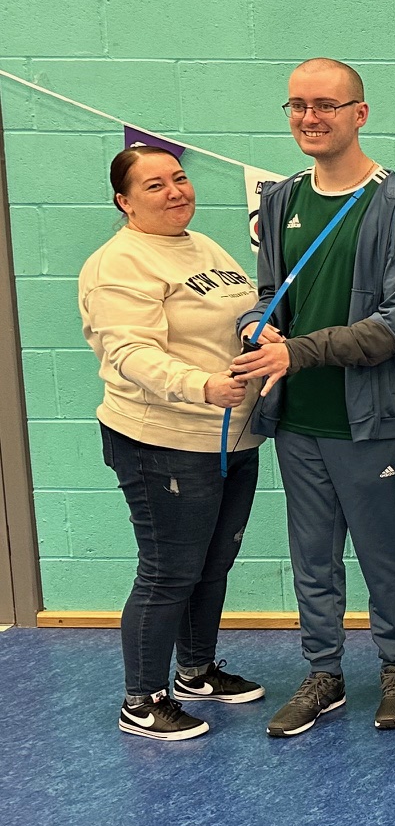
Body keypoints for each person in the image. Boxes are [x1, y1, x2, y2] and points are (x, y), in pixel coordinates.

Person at [233, 59, 395, 738]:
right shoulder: (283, 198)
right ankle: (323, 672)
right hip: (296, 419)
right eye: (296, 105)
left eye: (324, 104)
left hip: (371, 420)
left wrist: (298, 351)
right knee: (312, 557)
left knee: (385, 557)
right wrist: (254, 328)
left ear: (359, 113)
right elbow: (268, 295)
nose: (309, 118)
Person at [81, 148, 266, 740]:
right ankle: (141, 698)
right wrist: (201, 385)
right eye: (154, 184)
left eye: (179, 178)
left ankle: (195, 670)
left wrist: (251, 326)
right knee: (169, 570)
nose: (175, 191)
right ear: (124, 202)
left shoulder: (203, 245)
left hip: (232, 435)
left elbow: (241, 305)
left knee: (213, 563)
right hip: (162, 438)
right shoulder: (120, 262)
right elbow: (130, 353)